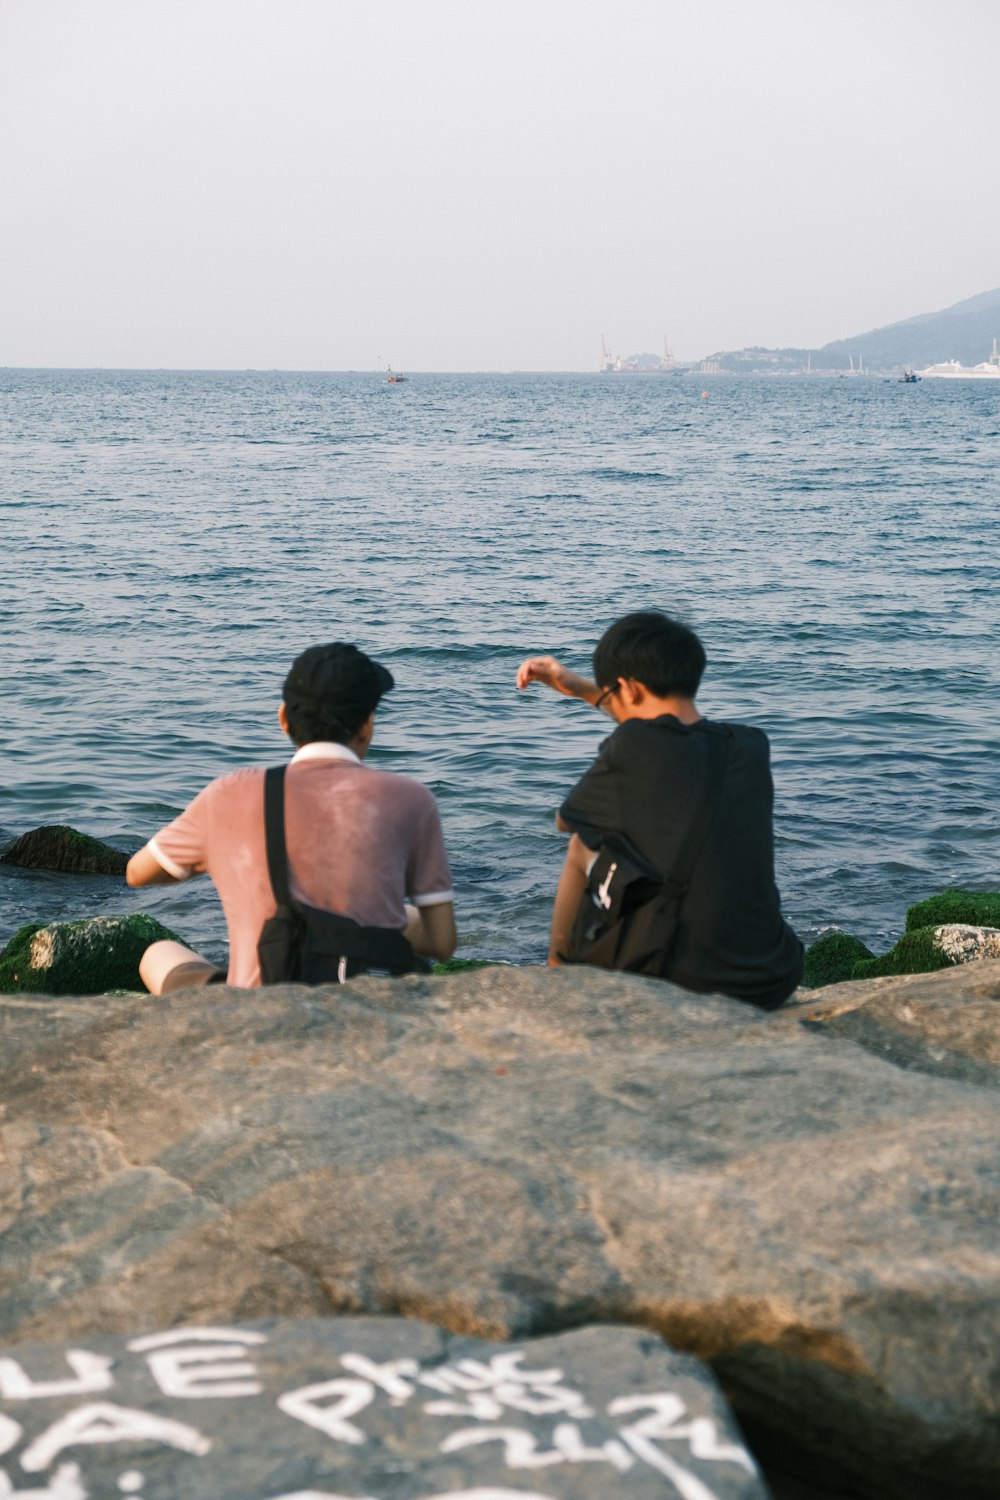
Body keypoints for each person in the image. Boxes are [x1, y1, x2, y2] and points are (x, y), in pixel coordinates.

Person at [127, 642, 456, 992]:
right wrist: (374, 913)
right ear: (366, 726)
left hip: (258, 1005)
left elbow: (137, 873)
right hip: (369, 999)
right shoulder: (412, 799)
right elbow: (442, 941)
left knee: (158, 953)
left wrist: (228, 859)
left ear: (284, 719)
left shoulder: (229, 793)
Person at [516, 610, 802, 1008]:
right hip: (770, 975)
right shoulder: (752, 745)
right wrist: (587, 688)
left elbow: (567, 820)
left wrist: (589, 692)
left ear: (629, 690)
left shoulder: (634, 743)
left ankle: (559, 968)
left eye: (611, 695)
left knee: (585, 842)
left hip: (679, 978)